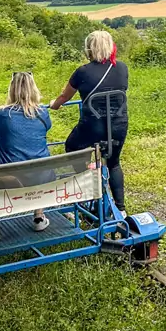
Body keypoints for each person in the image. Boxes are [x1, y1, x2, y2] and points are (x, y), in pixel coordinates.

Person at [50, 30, 128, 216]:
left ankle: (85, 191)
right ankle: (121, 208)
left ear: (89, 49)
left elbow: (64, 96)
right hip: (118, 125)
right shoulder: (122, 68)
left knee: (72, 148)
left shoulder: (82, 72)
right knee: (114, 162)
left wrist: (55, 105)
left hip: (92, 126)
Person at [0, 71, 53, 237]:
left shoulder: (2, 115)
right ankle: (38, 217)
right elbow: (46, 127)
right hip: (42, 178)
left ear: (12, 90)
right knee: (38, 163)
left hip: (11, 181)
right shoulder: (43, 113)